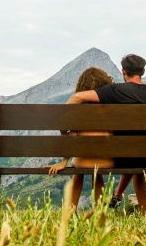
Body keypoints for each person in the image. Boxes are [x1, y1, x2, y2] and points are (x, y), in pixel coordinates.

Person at [65, 54, 146, 216]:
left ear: (123, 71)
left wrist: (63, 125)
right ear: (143, 70)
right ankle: (144, 214)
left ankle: (114, 199)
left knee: (133, 155)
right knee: (138, 161)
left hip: (125, 156)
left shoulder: (116, 91)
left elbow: (78, 96)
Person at [43, 67, 115, 210]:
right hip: (107, 161)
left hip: (83, 161)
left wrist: (64, 162)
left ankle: (71, 210)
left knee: (77, 171)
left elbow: (72, 139)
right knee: (97, 174)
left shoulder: (77, 111)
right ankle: (100, 211)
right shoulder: (112, 109)